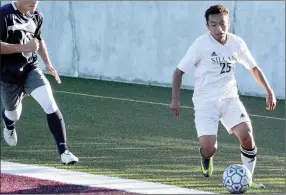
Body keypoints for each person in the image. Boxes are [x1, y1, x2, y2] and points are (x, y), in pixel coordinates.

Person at [170, 4, 276, 189]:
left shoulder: (237, 43)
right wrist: (175, 99)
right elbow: (178, 72)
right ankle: (205, 157)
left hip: (229, 99)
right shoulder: (200, 45)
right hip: (205, 103)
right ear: (207, 26)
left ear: (229, 22)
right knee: (210, 148)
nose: (219, 29)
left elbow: (253, 68)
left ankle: (247, 179)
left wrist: (269, 91)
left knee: (247, 137)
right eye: (213, 25)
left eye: (223, 23)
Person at [0, 0, 79, 165]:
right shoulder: (4, 14)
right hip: (7, 76)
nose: (34, 2)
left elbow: (38, 40)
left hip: (31, 69)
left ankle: (64, 151)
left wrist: (48, 63)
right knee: (13, 114)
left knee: (50, 103)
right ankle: (8, 124)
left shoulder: (36, 16)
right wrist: (23, 48)